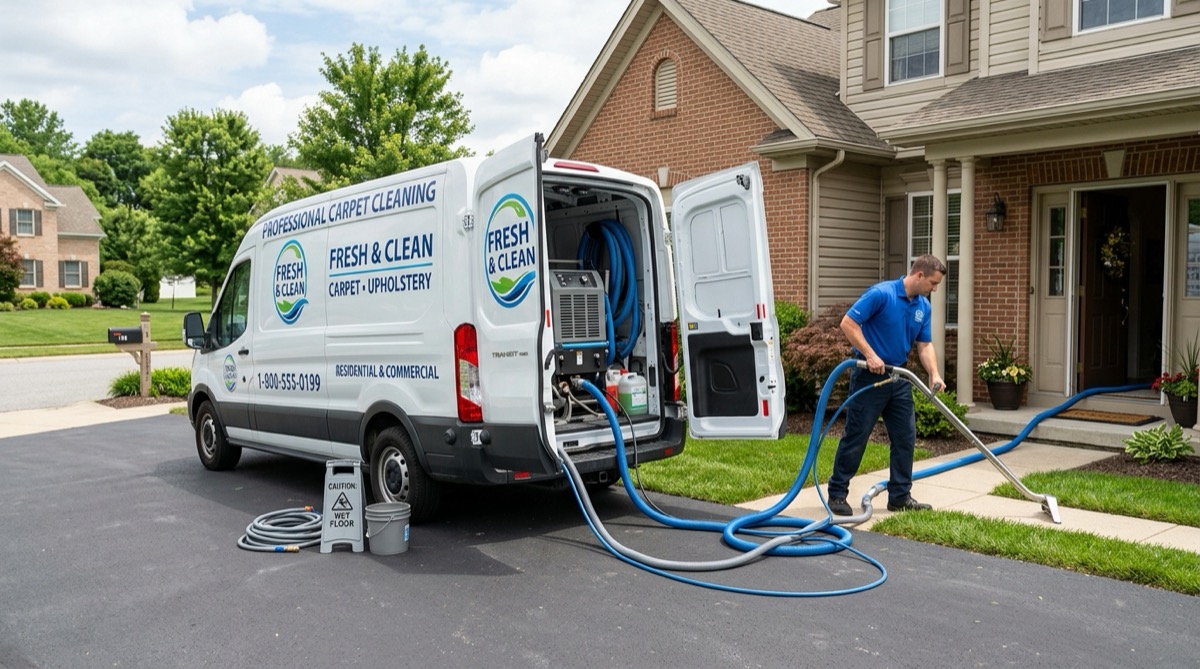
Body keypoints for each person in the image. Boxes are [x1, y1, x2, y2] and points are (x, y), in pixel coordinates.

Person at [826, 254, 947, 516]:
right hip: (869, 378)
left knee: (905, 437)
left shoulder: (923, 306)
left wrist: (934, 373)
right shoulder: (882, 294)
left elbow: (924, 344)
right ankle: (837, 493)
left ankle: (900, 496)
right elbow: (848, 323)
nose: (935, 289)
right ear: (919, 276)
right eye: (933, 283)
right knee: (857, 436)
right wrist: (870, 354)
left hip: (899, 377)